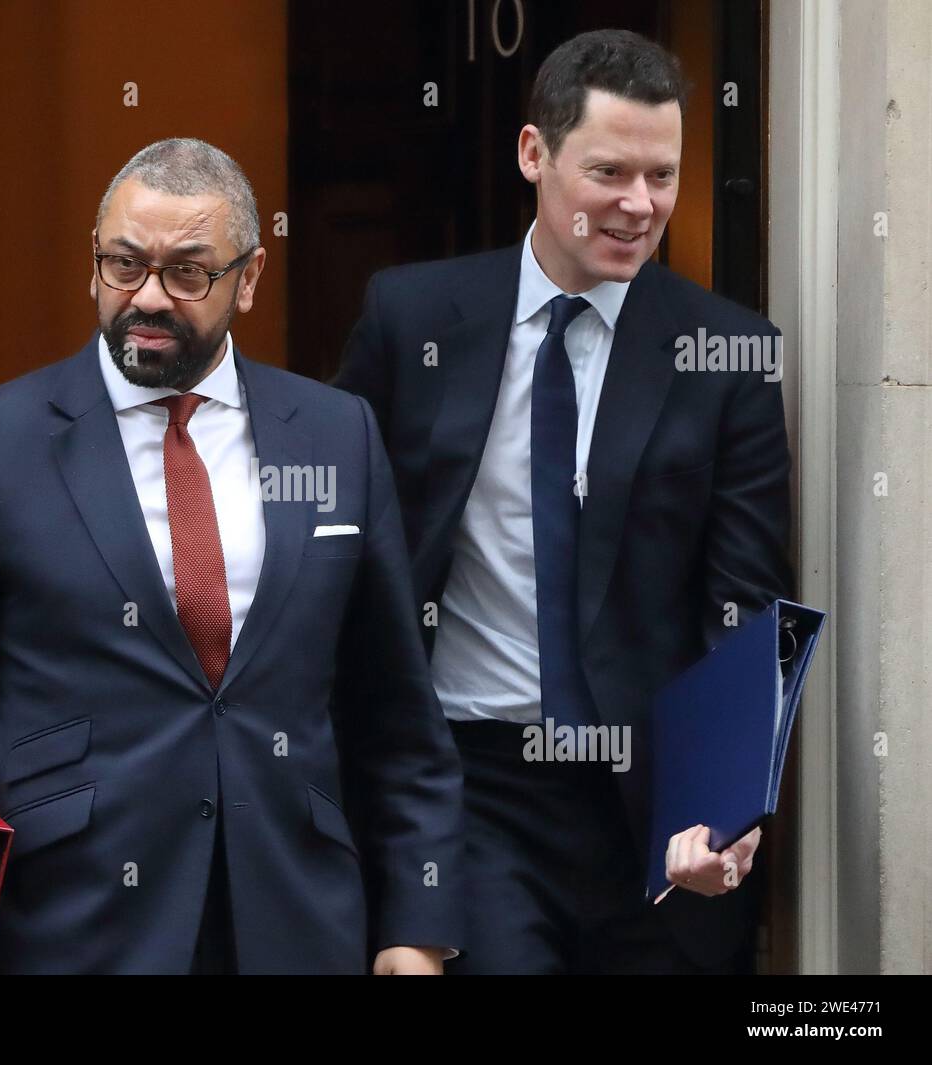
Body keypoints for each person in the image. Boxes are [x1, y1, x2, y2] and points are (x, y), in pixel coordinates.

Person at [0, 138, 463, 975]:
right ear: (92, 263)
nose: (147, 296)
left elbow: (398, 714)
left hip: (296, 918)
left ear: (248, 278)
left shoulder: (337, 435)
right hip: (75, 922)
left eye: (187, 273)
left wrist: (417, 924)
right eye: (123, 264)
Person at [334, 30, 791, 974]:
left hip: (656, 806)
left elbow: (745, 602)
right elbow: (336, 548)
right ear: (534, 155)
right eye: (610, 172)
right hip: (475, 785)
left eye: (661, 175)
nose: (640, 204)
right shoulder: (412, 318)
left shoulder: (729, 353)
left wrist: (728, 800)